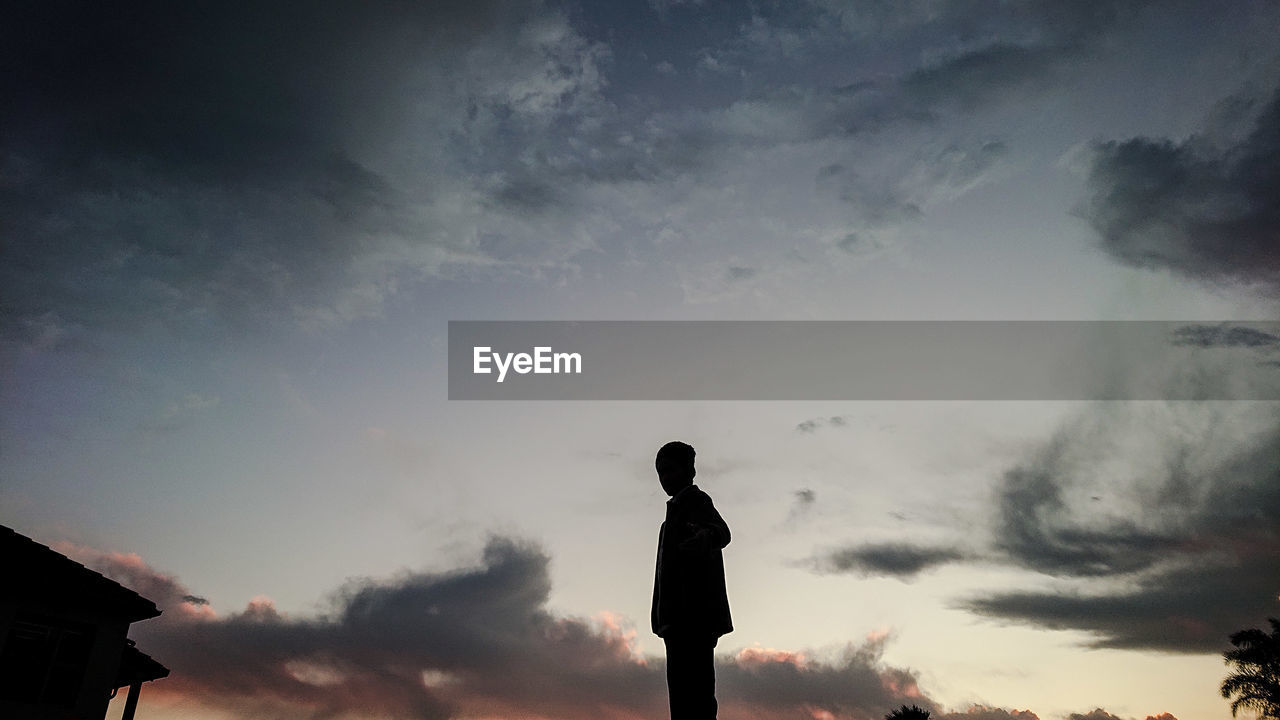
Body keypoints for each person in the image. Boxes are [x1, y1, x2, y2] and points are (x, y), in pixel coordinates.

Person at [651, 441, 732, 720]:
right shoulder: (669, 522)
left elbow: (721, 531)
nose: (665, 478)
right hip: (674, 622)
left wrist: (706, 537)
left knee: (697, 696)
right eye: (660, 472)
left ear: (690, 470)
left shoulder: (697, 502)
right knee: (681, 697)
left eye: (670, 470)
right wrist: (659, 616)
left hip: (694, 618)